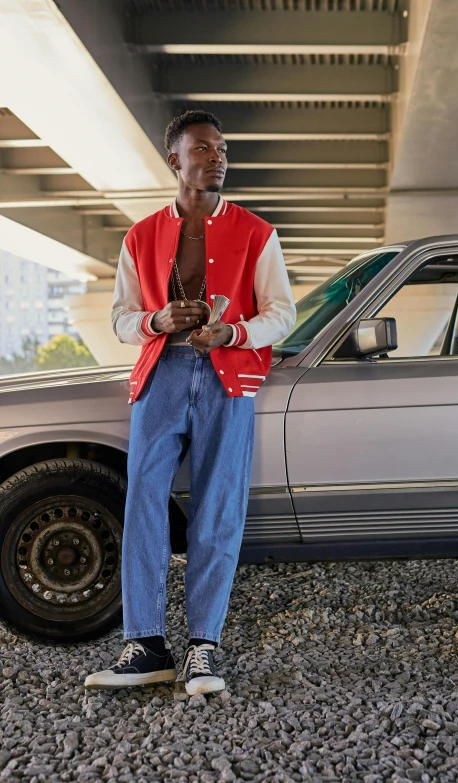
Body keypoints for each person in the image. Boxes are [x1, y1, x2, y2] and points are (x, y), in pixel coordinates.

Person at [85, 110, 296, 695]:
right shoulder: (141, 234)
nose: (217, 157)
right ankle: (146, 645)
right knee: (144, 504)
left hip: (228, 378)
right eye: (203, 148)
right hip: (162, 373)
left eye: (222, 149)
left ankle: (204, 649)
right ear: (174, 160)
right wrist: (157, 319)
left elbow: (282, 311)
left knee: (217, 508)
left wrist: (233, 334)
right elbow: (122, 318)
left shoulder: (257, 232)